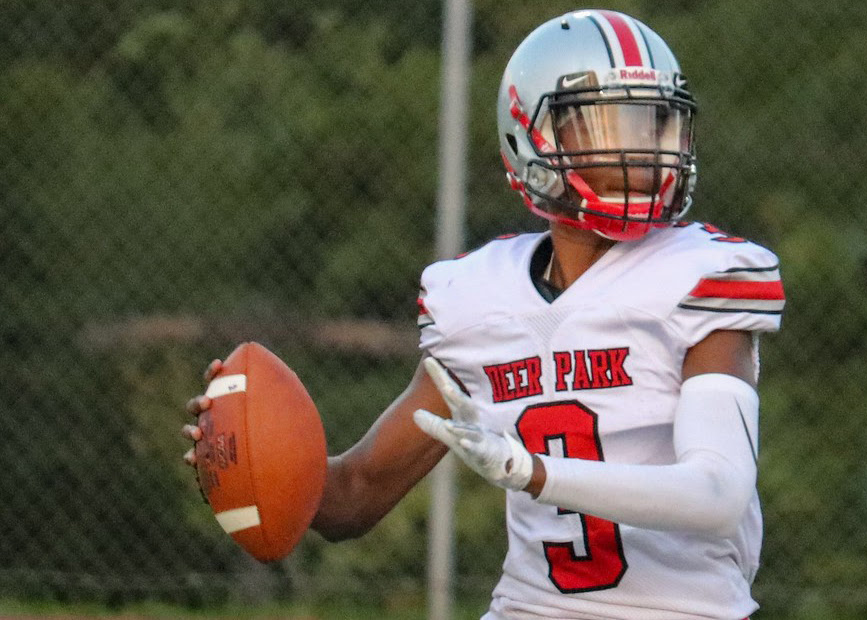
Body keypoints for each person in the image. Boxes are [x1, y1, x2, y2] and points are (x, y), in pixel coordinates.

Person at [184, 9, 784, 619]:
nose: (644, 151)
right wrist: (247, 459)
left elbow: (718, 493)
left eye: (656, 125)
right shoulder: (478, 297)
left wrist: (532, 472)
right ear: (532, 138)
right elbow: (354, 497)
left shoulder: (702, 275)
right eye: (609, 125)